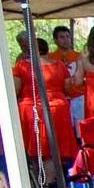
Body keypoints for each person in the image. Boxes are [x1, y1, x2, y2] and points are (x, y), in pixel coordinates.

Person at [13, 33, 77, 165]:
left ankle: (40, 183)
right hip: (58, 108)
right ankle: (51, 182)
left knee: (35, 148)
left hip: (31, 108)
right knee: (55, 149)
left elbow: (15, 89)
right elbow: (67, 88)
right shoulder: (59, 65)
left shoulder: (21, 66)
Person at [51, 25, 85, 123]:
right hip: (60, 99)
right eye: (61, 37)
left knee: (80, 129)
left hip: (79, 96)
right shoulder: (51, 58)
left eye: (67, 37)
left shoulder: (79, 56)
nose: (65, 40)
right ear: (55, 40)